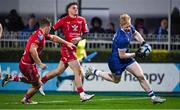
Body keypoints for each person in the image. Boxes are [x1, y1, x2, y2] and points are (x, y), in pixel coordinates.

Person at [85, 14, 166, 104]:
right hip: (116, 61)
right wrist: (136, 54)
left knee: (140, 76)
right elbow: (121, 56)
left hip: (127, 58)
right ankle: (94, 71)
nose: (129, 28)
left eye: (129, 25)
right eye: (126, 27)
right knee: (116, 80)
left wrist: (143, 42)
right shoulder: (121, 38)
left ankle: (153, 97)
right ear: (121, 26)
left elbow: (135, 33)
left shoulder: (129, 26)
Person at [2, 18, 75, 104]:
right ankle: (25, 99)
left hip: (24, 63)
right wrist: (40, 63)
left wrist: (66, 43)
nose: (51, 29)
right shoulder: (39, 36)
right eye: (50, 27)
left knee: (32, 81)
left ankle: (12, 78)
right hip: (28, 65)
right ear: (46, 26)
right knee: (38, 84)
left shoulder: (41, 34)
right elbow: (32, 50)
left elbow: (54, 38)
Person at [40, 2, 94, 102]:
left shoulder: (82, 20)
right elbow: (51, 30)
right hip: (67, 48)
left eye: (76, 8)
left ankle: (40, 82)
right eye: (73, 8)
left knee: (58, 71)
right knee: (78, 72)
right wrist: (55, 39)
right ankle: (82, 95)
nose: (76, 9)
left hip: (74, 49)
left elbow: (86, 34)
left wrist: (80, 38)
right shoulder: (64, 20)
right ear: (68, 10)